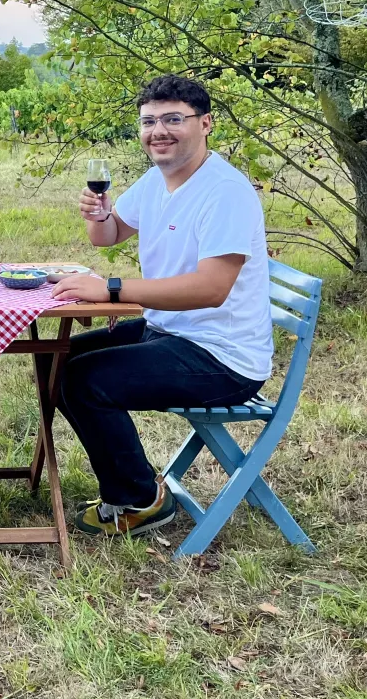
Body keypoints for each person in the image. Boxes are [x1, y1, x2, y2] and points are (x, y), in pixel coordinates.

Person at [50, 74, 272, 538]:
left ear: (205, 123)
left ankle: (141, 499)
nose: (159, 131)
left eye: (174, 119)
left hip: (221, 356)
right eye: (149, 122)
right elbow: (108, 237)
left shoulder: (225, 192)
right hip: (169, 332)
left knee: (85, 379)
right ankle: (131, 484)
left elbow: (211, 289)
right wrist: (99, 215)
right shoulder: (157, 180)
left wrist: (112, 291)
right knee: (59, 360)